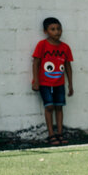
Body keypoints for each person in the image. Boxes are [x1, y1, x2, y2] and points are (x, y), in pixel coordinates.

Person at [31, 17, 74, 145]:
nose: (57, 32)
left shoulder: (65, 47)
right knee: (49, 107)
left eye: (59, 29)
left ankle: (60, 133)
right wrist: (36, 81)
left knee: (59, 107)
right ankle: (51, 134)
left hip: (59, 83)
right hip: (44, 83)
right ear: (46, 31)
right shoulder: (42, 45)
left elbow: (68, 66)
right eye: (53, 29)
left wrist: (70, 84)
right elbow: (36, 63)